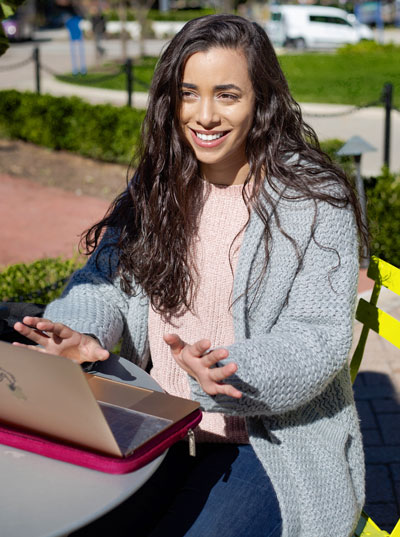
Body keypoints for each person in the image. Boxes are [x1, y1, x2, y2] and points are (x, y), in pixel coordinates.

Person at [14, 14, 366, 537]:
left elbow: (318, 339)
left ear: (262, 100)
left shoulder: (314, 201)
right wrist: (81, 332)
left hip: (268, 445)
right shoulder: (156, 187)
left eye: (227, 95)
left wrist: (227, 370)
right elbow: (107, 283)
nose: (204, 116)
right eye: (188, 93)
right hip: (156, 423)